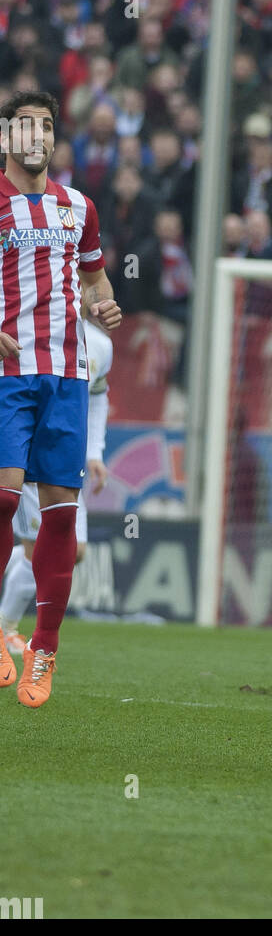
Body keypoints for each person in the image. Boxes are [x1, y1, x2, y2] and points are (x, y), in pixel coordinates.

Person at [0, 91, 121, 708]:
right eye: (25, 126)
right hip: (8, 374)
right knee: (3, 496)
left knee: (60, 519)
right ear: (6, 140)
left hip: (67, 376)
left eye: (46, 126)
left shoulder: (80, 207)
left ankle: (43, 648)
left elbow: (95, 276)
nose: (37, 136)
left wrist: (104, 302)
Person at [0, 319, 113, 650]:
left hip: (66, 447)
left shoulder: (100, 345)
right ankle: (7, 627)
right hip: (26, 448)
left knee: (72, 550)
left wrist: (94, 452)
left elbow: (99, 397)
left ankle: (10, 627)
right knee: (36, 545)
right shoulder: (22, 324)